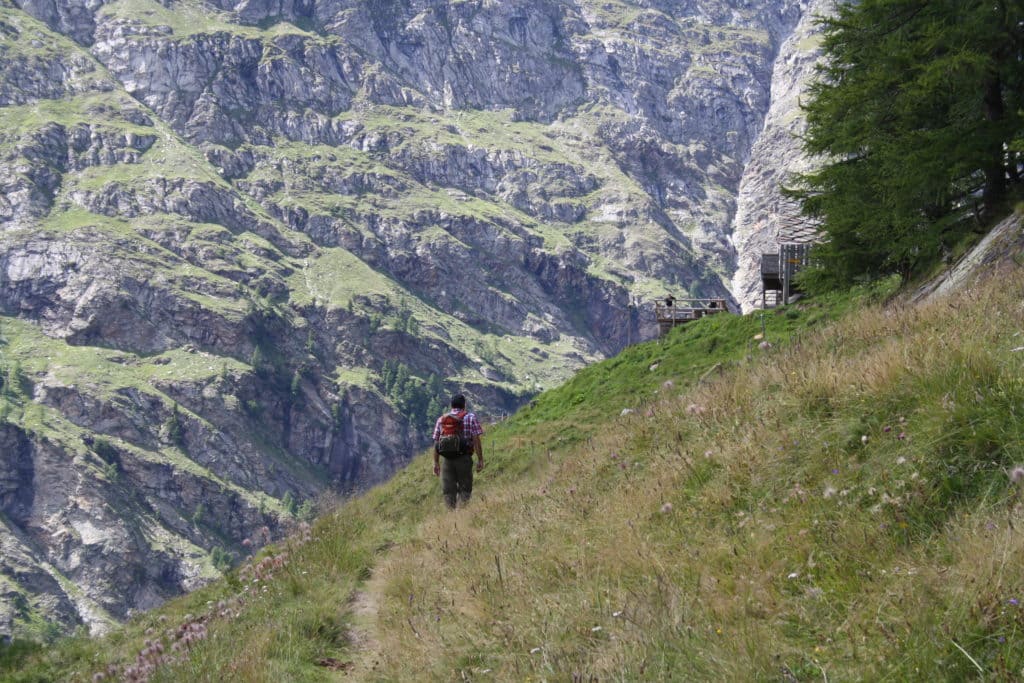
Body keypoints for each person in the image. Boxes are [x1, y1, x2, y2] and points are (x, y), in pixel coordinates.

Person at [432, 394, 484, 509]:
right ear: (464, 405)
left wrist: (436, 463)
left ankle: (451, 518)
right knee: (465, 488)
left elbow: (436, 442)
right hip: (464, 458)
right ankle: (462, 515)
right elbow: (476, 439)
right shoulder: (470, 417)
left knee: (448, 491)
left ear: (451, 405)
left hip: (447, 460)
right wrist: (480, 459)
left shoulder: (442, 419)